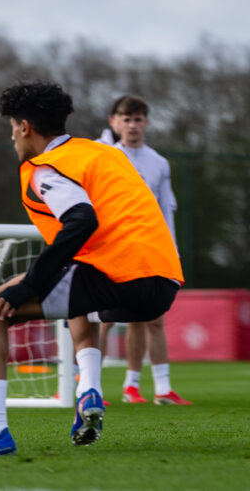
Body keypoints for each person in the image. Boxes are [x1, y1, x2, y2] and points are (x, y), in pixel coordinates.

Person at [0, 81, 183, 458]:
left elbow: (81, 219)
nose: (12, 137)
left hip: (117, 272)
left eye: (12, 127)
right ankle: (88, 388)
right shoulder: (103, 153)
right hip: (163, 281)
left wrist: (29, 284)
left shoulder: (45, 168)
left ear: (25, 127)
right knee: (74, 292)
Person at [96, 96, 191, 405]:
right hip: (113, 249)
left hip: (150, 250)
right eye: (126, 119)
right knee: (103, 318)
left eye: (138, 119)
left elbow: (166, 210)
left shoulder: (159, 163)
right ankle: (89, 386)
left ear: (146, 123)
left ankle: (151, 388)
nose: (132, 125)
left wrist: (171, 251)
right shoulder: (105, 155)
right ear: (114, 122)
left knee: (152, 317)